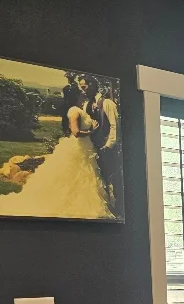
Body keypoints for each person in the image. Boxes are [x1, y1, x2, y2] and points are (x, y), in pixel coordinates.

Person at [0, 84, 113, 219]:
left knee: (82, 175)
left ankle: (75, 200)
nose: (83, 93)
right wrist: (92, 131)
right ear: (76, 95)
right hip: (79, 147)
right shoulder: (74, 111)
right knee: (76, 174)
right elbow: (76, 132)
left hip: (86, 147)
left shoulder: (79, 108)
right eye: (80, 91)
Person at [78, 74, 122, 217]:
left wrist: (108, 145)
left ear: (91, 85)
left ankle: (117, 208)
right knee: (97, 178)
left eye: (84, 87)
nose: (82, 90)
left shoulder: (108, 103)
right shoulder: (86, 105)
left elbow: (115, 126)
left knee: (111, 178)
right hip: (93, 147)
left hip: (106, 147)